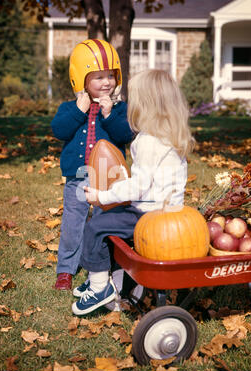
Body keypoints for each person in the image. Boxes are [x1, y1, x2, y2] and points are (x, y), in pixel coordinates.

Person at [72, 69, 195, 315]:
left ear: (144, 105)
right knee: (111, 216)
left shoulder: (148, 140)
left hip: (152, 219)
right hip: (168, 214)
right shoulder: (171, 135)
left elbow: (138, 186)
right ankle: (112, 277)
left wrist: (101, 196)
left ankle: (100, 288)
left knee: (97, 225)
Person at [51, 39, 133, 290]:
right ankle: (66, 270)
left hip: (107, 181)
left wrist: (109, 116)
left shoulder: (119, 109)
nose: (106, 82)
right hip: (77, 178)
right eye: (98, 77)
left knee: (103, 224)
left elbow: (125, 135)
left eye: (110, 76)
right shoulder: (69, 108)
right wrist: (78, 110)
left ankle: (101, 267)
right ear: (81, 79)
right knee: (72, 223)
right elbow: (59, 130)